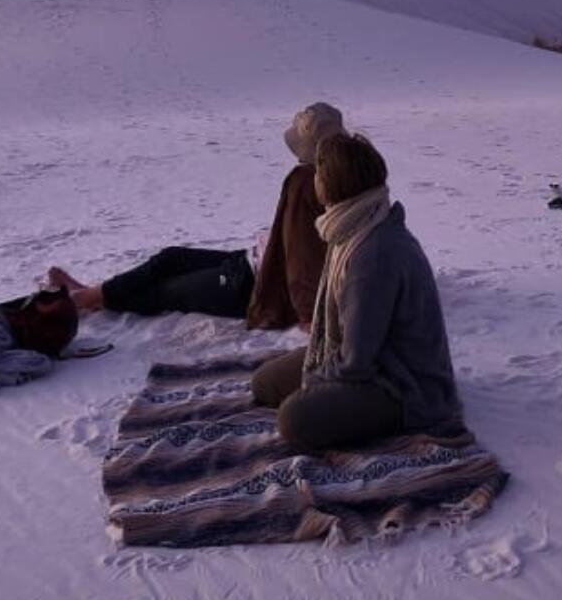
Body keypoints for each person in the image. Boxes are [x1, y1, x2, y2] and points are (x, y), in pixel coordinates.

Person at [251, 132, 463, 452]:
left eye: (319, 174)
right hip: (372, 360)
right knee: (266, 382)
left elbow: (355, 362)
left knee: (294, 418)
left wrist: (316, 380)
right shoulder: (356, 225)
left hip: (401, 385)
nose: (315, 181)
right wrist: (318, 369)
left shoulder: (372, 253)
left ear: (334, 184)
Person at [47, 102, 344, 329]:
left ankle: (86, 300)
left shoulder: (305, 183)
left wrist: (306, 315)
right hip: (251, 261)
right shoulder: (331, 174)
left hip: (254, 285)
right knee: (171, 257)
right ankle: (93, 294)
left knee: (164, 291)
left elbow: (304, 254)